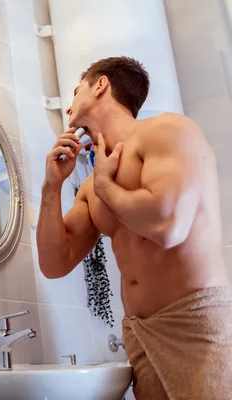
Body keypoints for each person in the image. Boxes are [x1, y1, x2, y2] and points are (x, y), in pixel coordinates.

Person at [36, 56, 232, 399]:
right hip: (141, 337)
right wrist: (51, 187)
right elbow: (54, 264)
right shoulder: (90, 186)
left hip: (197, 328)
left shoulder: (168, 131)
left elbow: (168, 225)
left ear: (101, 85)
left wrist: (107, 188)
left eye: (76, 90)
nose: (68, 107)